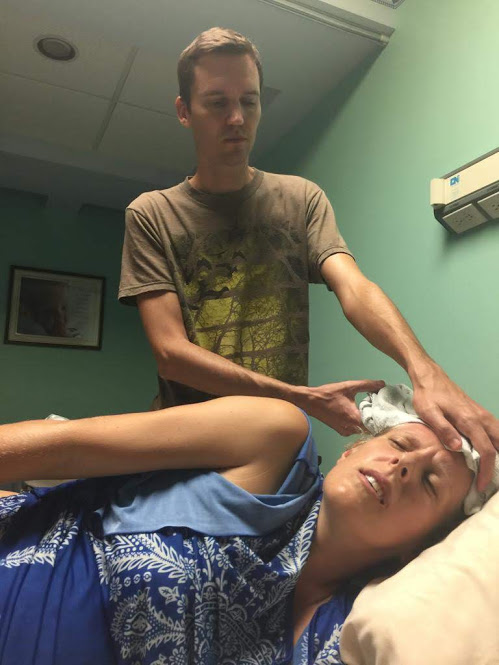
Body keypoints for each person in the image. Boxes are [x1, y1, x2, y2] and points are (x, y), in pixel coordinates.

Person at [118, 27, 499, 491]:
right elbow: (171, 355)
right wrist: (300, 397)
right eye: (217, 103)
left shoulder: (300, 199)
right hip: (184, 448)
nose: (237, 118)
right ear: (184, 111)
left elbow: (353, 287)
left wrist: (425, 371)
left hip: (279, 455)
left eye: (250, 101)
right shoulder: (152, 214)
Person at [0, 385, 489, 664]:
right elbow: (62, 447)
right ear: (352, 451)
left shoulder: (349, 632)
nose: (403, 466)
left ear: (420, 547)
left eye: (430, 482)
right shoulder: (275, 439)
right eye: (400, 445)